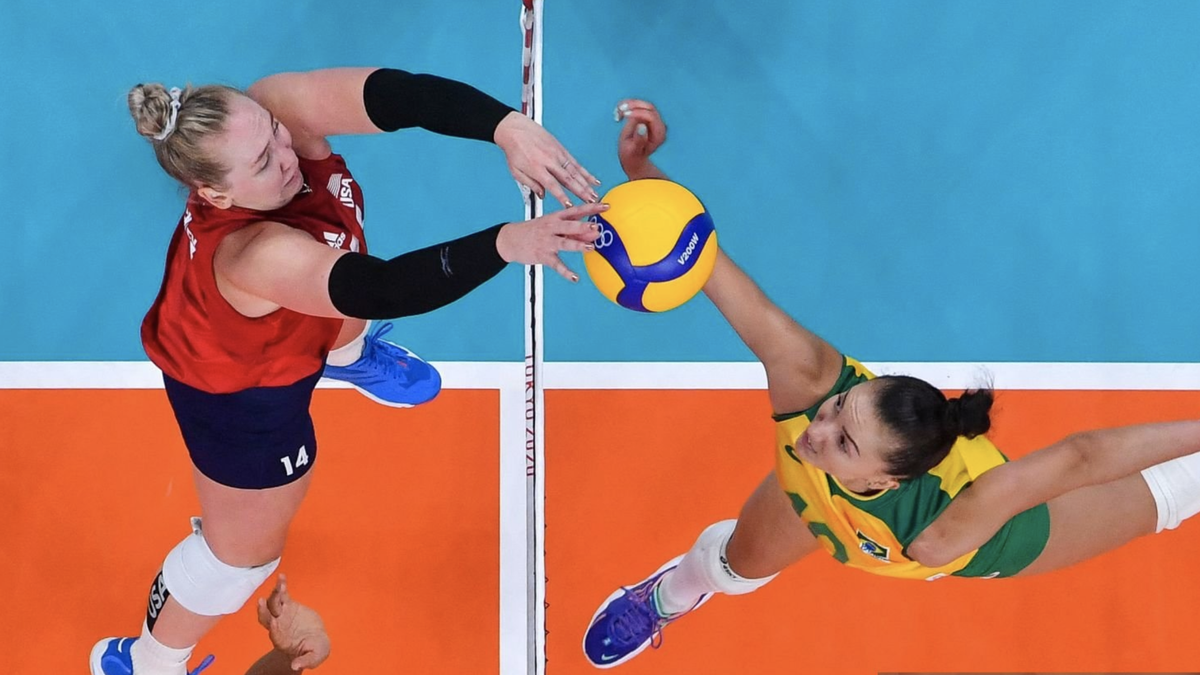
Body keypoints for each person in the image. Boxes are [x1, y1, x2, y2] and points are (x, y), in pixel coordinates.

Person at [581, 100, 1200, 668]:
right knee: (734, 563)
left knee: (1173, 497)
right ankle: (673, 592)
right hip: (824, 499)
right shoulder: (810, 390)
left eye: (843, 439)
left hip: (984, 537)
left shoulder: (945, 531)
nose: (815, 429)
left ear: (883, 479)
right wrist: (644, 179)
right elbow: (702, 259)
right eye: (840, 409)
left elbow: (1079, 459)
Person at [90, 66, 608, 675]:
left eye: (277, 134)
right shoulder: (257, 256)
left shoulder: (275, 107)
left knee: (339, 251)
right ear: (217, 196)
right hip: (241, 390)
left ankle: (348, 356)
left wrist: (506, 126)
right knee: (243, 559)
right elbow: (380, 289)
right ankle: (147, 662)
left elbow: (399, 94)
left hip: (307, 303)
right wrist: (507, 243)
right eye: (261, 162)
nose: (287, 156)